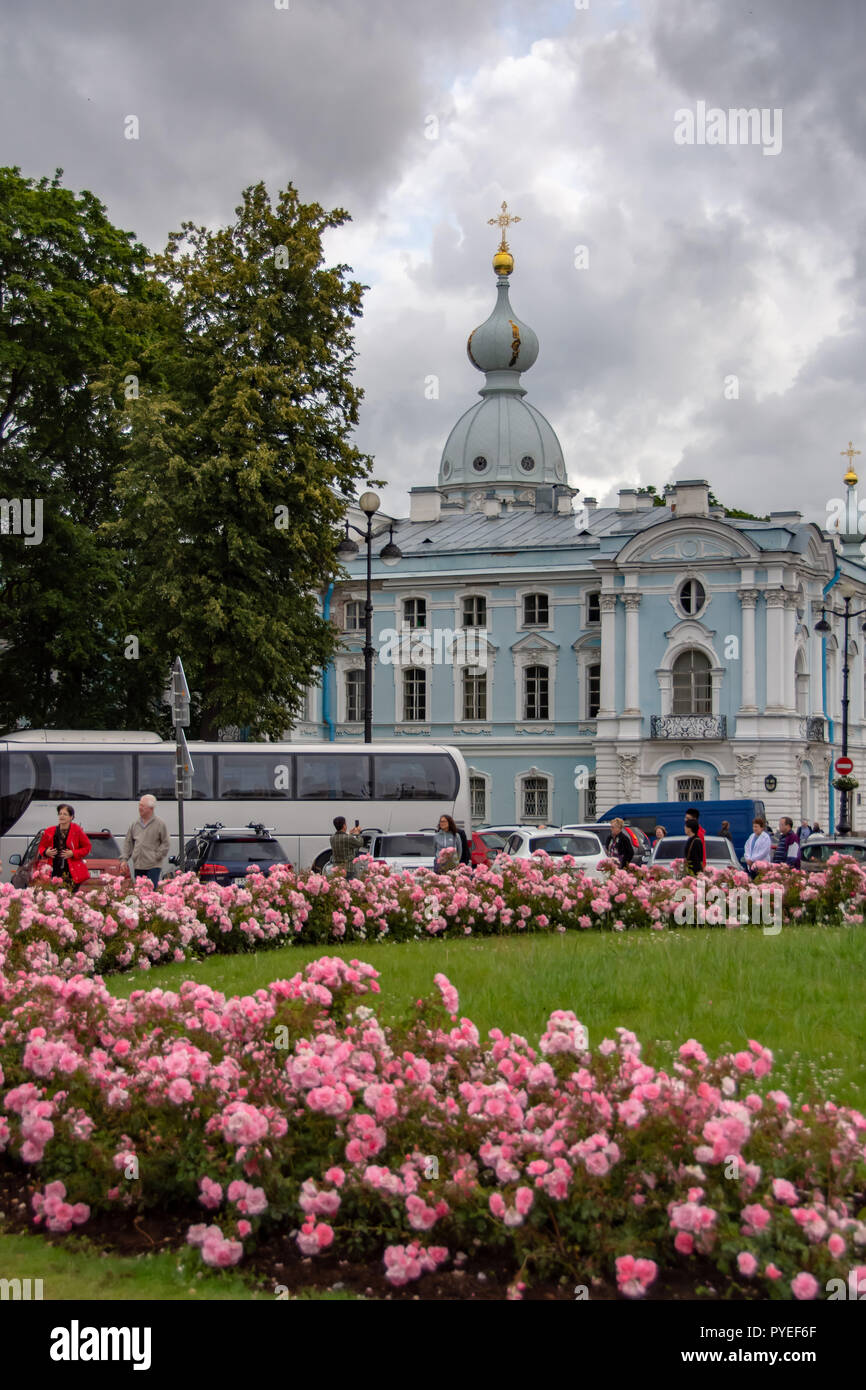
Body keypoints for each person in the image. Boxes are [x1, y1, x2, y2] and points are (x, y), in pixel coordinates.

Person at [34, 804, 92, 891]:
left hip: (72, 872)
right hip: (54, 871)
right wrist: (46, 852)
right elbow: (41, 847)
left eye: (65, 814)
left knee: (69, 897)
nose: (61, 816)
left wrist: (73, 853)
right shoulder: (49, 831)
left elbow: (87, 847)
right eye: (60, 814)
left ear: (71, 817)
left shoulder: (77, 830)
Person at [124, 794, 170, 890]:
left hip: (153, 866)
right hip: (138, 865)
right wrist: (124, 859)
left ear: (151, 808)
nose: (140, 808)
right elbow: (128, 843)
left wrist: (156, 856)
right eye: (139, 805)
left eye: (142, 806)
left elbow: (166, 843)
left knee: (151, 893)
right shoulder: (134, 824)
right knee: (140, 893)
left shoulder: (160, 824)